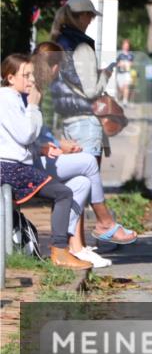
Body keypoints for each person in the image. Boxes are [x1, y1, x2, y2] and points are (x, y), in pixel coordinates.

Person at [33, 43, 138, 253]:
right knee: (89, 162)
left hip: (37, 154)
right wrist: (48, 146)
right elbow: (24, 131)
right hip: (24, 161)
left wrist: (57, 144)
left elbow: (37, 129)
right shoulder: (34, 92)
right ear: (53, 67)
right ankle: (105, 222)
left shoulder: (40, 90)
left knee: (81, 183)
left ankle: (69, 246)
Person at [0, 53, 93, 270]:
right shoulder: (6, 99)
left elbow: (15, 139)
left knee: (70, 189)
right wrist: (33, 106)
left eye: (32, 75)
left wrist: (40, 148)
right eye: (26, 75)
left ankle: (63, 248)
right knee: (63, 193)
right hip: (10, 168)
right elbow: (24, 135)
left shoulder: (10, 98)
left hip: (14, 165)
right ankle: (60, 251)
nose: (31, 80)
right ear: (10, 77)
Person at [49, 0, 114, 162]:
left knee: (74, 185)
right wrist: (106, 74)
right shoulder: (82, 47)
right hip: (86, 124)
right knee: (89, 182)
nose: (90, 22)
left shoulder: (57, 42)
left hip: (67, 120)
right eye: (90, 17)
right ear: (83, 15)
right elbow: (91, 91)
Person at [115, 39, 135, 106]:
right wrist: (120, 64)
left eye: (127, 46)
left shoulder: (131, 55)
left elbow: (132, 64)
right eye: (125, 45)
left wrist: (128, 64)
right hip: (120, 73)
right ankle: (120, 98)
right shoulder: (119, 54)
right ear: (122, 46)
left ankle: (125, 101)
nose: (126, 47)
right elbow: (116, 64)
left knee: (126, 86)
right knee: (121, 89)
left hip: (127, 73)